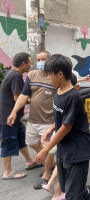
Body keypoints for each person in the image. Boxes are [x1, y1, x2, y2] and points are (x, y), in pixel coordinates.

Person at [35, 54, 90, 200]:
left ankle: (83, 193)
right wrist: (51, 128)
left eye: (50, 75)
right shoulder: (59, 91)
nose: (48, 78)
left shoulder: (73, 97)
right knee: (68, 189)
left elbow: (66, 127)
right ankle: (84, 192)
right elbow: (62, 119)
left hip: (77, 150)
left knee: (72, 196)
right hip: (64, 149)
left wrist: (46, 149)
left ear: (60, 74)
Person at [7, 51, 57, 189]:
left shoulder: (54, 76)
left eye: (43, 59)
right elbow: (23, 95)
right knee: (32, 143)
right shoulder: (32, 75)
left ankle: (46, 174)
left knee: (48, 148)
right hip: (33, 119)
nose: (40, 61)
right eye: (38, 59)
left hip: (48, 121)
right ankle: (52, 162)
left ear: (50, 60)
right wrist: (14, 112)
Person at [0, 52, 36, 180]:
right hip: (8, 118)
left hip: (14, 118)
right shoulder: (15, 76)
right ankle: (7, 171)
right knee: (7, 142)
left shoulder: (13, 74)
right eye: (29, 63)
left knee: (22, 139)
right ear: (23, 64)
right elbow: (18, 98)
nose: (30, 66)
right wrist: (36, 101)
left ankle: (30, 161)